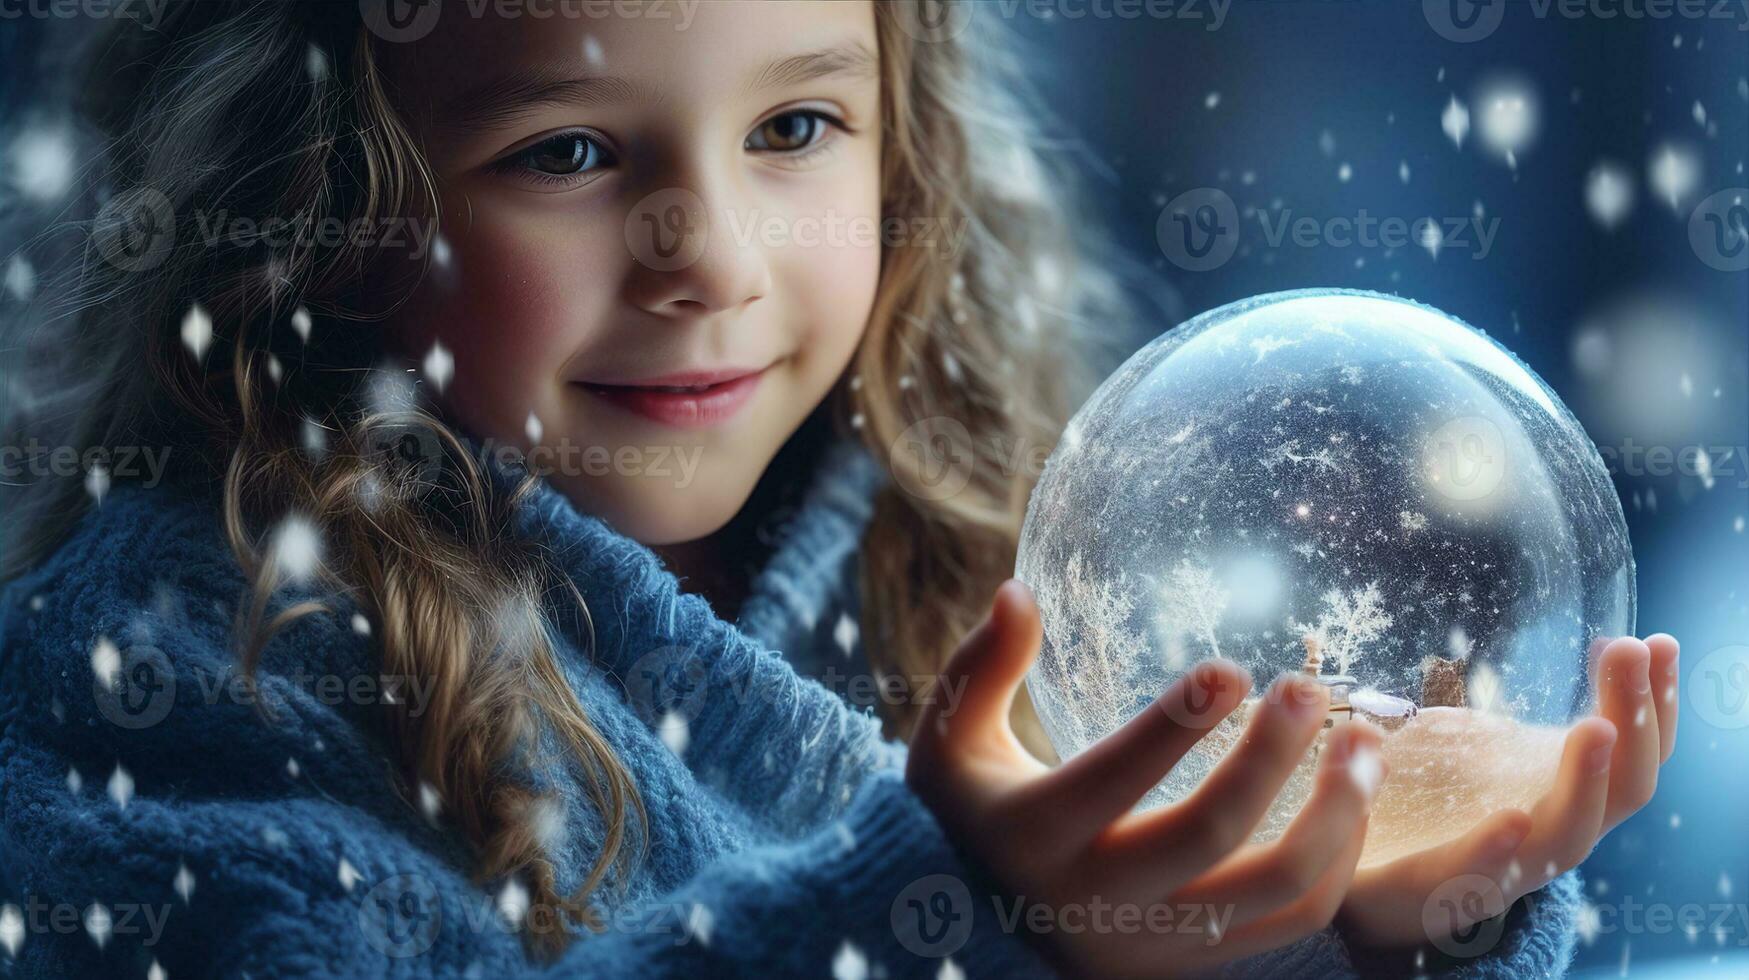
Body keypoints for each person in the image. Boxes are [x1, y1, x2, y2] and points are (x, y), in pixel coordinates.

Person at [0, 2, 1675, 976]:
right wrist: (951, 918)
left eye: (794, 127)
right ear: (312, 203)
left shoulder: (982, 562)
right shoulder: (174, 665)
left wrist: (1362, 931)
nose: (710, 260)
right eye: (568, 153)